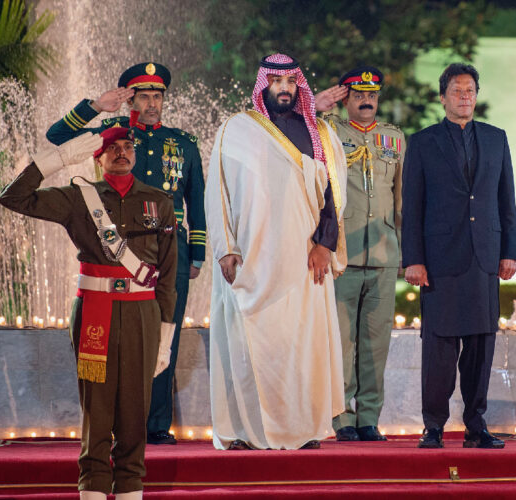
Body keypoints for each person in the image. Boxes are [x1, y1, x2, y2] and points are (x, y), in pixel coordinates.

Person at [0, 128, 177, 499]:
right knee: (97, 409)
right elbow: (12, 197)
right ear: (97, 158)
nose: (122, 152)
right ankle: (93, 487)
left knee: (135, 411)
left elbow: (168, 273)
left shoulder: (158, 201)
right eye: (112, 148)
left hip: (142, 313)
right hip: (96, 309)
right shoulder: (78, 197)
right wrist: (58, 159)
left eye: (127, 146)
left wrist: (166, 333)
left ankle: (130, 488)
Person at [46, 62, 206, 445]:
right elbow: (56, 136)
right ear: (130, 100)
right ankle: (116, 422)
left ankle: (156, 425)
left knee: (164, 333)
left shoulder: (183, 143)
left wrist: (197, 253)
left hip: (170, 251)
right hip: (116, 250)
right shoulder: (112, 134)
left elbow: (196, 200)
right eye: (143, 96)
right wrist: (95, 107)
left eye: (157, 96)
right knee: (116, 339)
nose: (151, 103)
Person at [205, 53, 348, 450]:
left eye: (290, 82)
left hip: (305, 261)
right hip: (250, 260)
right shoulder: (236, 129)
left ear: (298, 85)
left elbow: (334, 196)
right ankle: (244, 430)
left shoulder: (319, 132)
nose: (284, 89)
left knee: (302, 345)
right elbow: (218, 190)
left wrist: (325, 244)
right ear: (263, 85)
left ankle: (303, 429)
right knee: (249, 346)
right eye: (276, 82)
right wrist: (225, 248)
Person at [401, 63, 516, 449]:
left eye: (470, 91)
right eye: (457, 91)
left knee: (481, 348)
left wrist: (510, 251)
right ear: (443, 97)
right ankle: (433, 427)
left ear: (476, 96)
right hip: (439, 261)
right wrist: (413, 259)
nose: (464, 97)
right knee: (439, 348)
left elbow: (506, 200)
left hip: (484, 258)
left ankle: (476, 426)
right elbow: (412, 206)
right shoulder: (423, 142)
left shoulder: (496, 139)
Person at [325, 66, 404, 442]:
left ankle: (369, 416)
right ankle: (341, 416)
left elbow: (401, 198)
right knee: (341, 342)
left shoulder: (395, 138)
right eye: (358, 95)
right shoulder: (330, 132)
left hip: (384, 253)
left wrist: (407, 251)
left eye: (371, 95)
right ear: (347, 99)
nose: (366, 101)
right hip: (343, 254)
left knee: (376, 343)